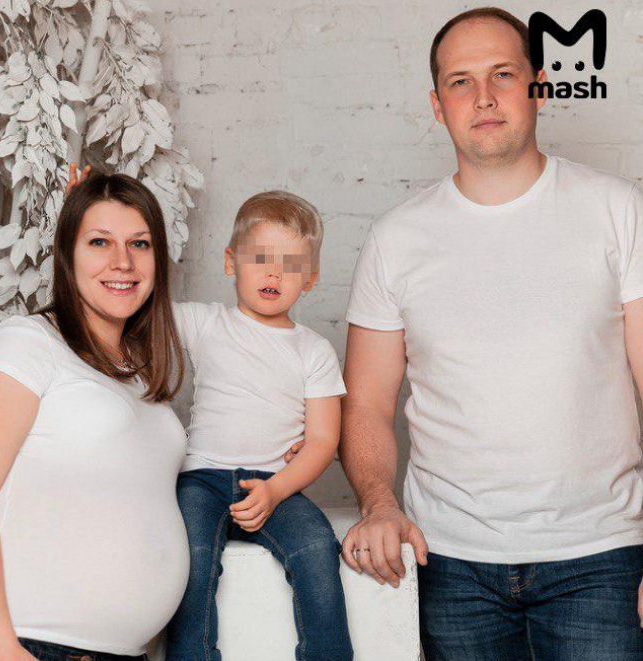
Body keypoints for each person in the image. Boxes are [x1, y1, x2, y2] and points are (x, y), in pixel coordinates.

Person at [339, 7, 643, 660]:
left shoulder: (617, 210)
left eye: (502, 74)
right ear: (437, 104)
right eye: (460, 81)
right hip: (450, 563)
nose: (482, 96)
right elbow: (365, 404)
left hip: (601, 556)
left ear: (538, 86)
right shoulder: (395, 239)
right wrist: (378, 502)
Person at [0, 173, 191, 661]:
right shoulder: (27, 343)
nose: (123, 262)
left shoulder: (138, 377)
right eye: (99, 242)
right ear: (67, 254)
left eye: (140, 243)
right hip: (18, 646)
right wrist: (0, 649)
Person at [165, 191, 353, 661]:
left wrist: (276, 490)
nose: (274, 274)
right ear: (232, 262)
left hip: (275, 483)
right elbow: (133, 309)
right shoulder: (204, 323)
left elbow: (323, 440)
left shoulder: (313, 351)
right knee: (190, 562)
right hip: (201, 480)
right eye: (261, 259)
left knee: (317, 548)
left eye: (290, 265)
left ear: (310, 279)